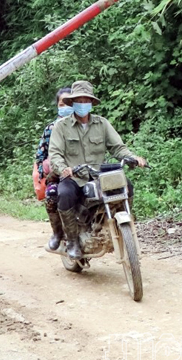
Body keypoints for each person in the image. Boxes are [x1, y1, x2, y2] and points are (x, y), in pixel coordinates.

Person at [48, 80, 147, 259]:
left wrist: (132, 158)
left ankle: (121, 226)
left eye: (87, 100)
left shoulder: (102, 124)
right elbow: (55, 154)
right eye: (79, 100)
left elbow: (118, 148)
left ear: (92, 103)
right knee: (64, 194)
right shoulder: (60, 127)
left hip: (97, 177)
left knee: (127, 185)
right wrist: (64, 169)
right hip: (74, 178)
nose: (83, 104)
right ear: (73, 103)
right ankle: (72, 241)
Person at [35, 87, 72, 251]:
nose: (66, 106)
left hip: (83, 171)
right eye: (62, 103)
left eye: (69, 103)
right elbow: (41, 154)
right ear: (58, 105)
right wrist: (46, 172)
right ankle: (57, 233)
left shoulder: (85, 125)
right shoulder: (51, 129)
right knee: (52, 194)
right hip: (59, 175)